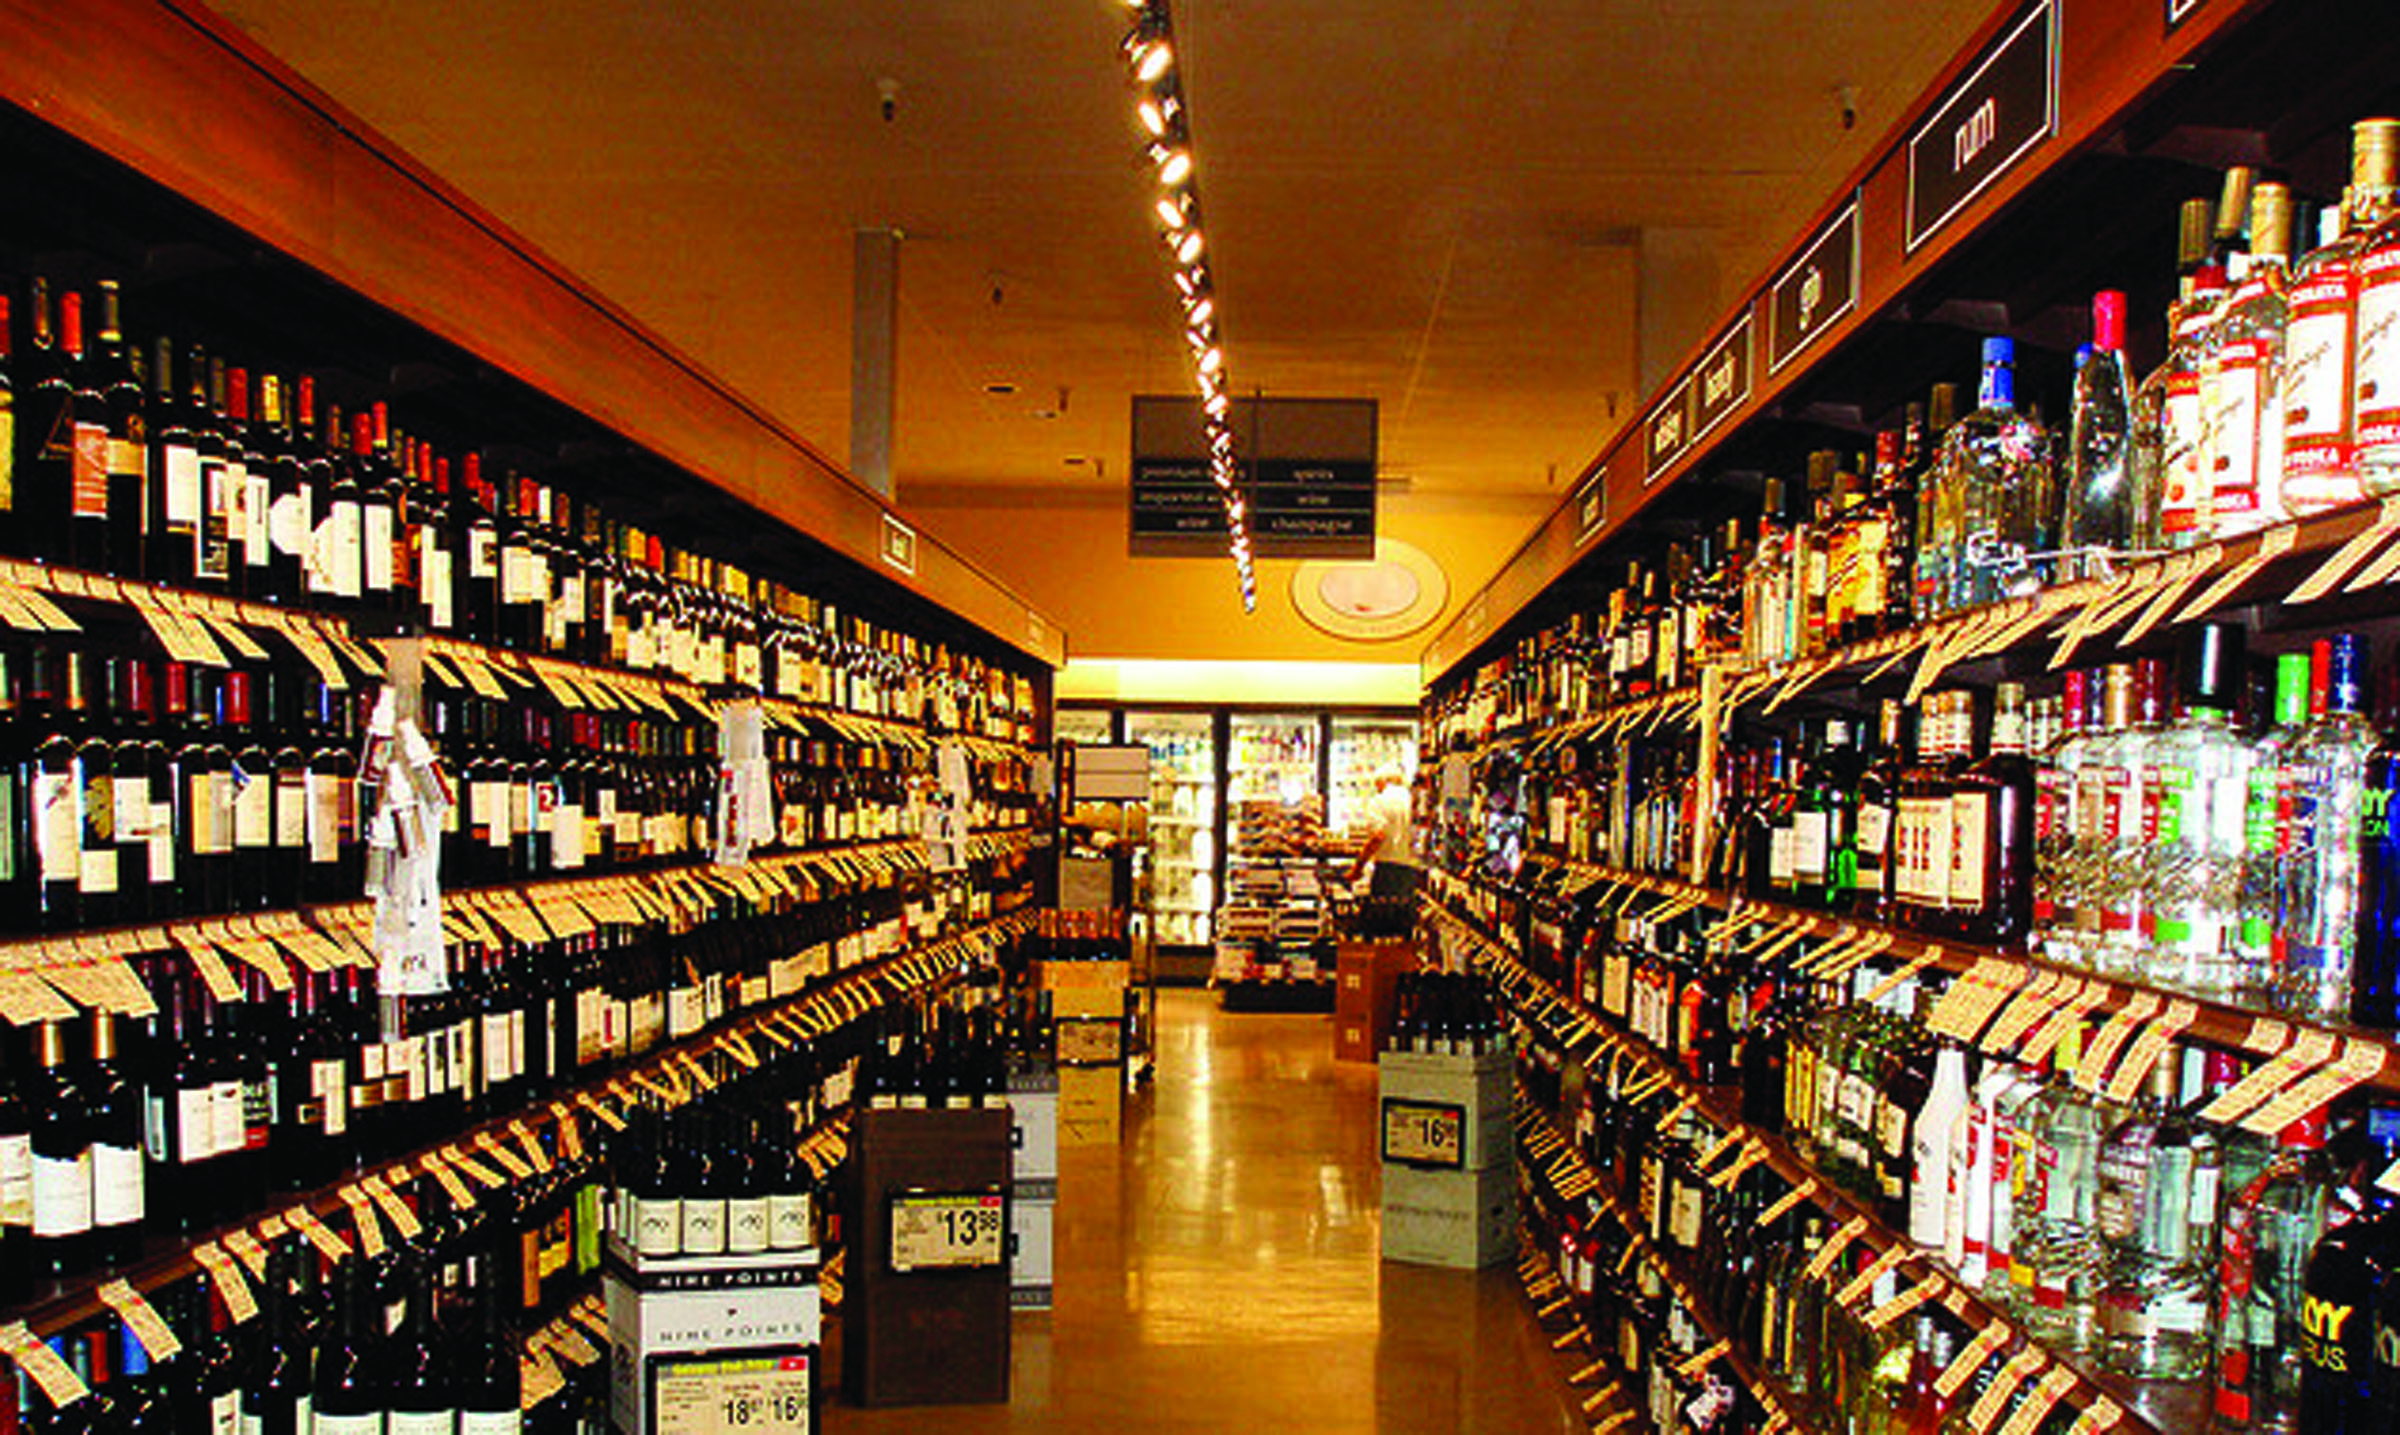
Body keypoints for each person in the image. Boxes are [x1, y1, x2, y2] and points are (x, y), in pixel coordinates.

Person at [1346, 768, 1418, 898]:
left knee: (1383, 912)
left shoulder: (1378, 802)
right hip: (1412, 870)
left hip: (1387, 870)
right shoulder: (1413, 799)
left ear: (1381, 783)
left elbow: (1378, 836)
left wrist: (1358, 867)